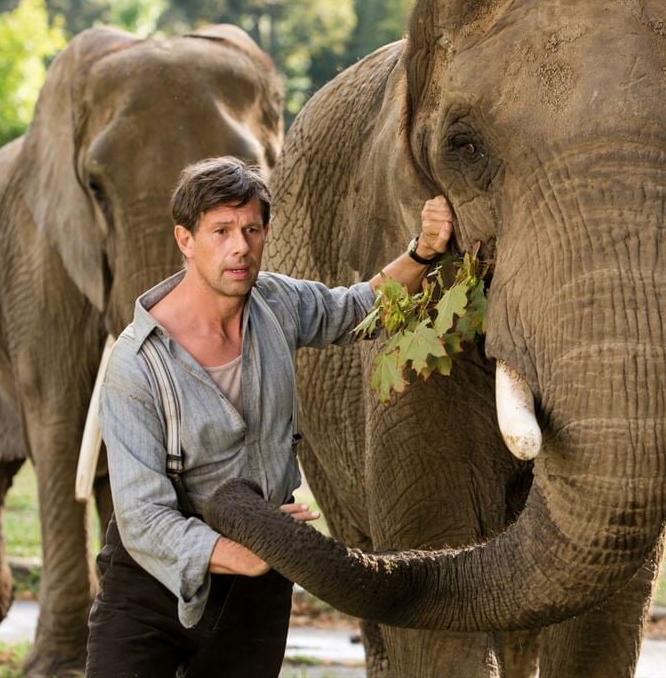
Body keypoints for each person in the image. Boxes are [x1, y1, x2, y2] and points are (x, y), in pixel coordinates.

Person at [85, 156, 453, 677]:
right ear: (185, 240)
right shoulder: (137, 363)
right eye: (220, 231)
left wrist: (423, 251)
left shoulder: (275, 302)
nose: (240, 246)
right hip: (151, 589)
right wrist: (245, 552)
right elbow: (143, 520)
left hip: (259, 585)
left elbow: (357, 309)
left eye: (251, 229)